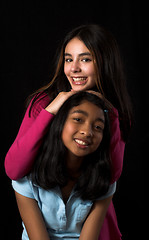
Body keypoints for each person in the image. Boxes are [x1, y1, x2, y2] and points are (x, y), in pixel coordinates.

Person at [5, 24, 132, 239]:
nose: (74, 69)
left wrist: (110, 115)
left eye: (85, 59)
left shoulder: (111, 112)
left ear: (104, 63)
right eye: (68, 59)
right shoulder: (43, 103)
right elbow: (14, 169)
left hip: (89, 222)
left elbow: (111, 176)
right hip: (44, 220)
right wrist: (52, 109)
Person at [12, 92, 116, 240]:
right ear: (60, 123)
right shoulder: (26, 176)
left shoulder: (103, 179)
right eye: (78, 119)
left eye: (98, 127)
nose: (87, 132)